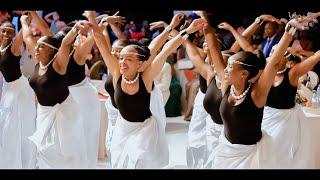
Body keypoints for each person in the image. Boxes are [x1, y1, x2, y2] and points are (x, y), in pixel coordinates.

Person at [86, 10, 205, 168]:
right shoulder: (116, 72)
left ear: (140, 64)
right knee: (121, 163)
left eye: (128, 59)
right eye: (121, 58)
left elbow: (165, 50)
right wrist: (97, 20)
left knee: (139, 160)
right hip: (123, 127)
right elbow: (100, 40)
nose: (122, 62)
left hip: (145, 129)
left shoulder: (146, 78)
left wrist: (187, 31)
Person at [204, 16, 305, 168]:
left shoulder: (257, 94)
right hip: (226, 151)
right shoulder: (226, 86)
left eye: (230, 66)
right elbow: (214, 50)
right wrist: (204, 25)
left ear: (243, 74)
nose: (225, 69)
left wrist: (289, 30)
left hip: (250, 157)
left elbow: (274, 62)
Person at [21, 12, 88, 168]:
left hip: (64, 114)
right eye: (36, 46)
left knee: (64, 155)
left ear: (51, 51)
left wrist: (75, 29)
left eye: (41, 47)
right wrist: (25, 22)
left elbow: (64, 44)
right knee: (44, 152)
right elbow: (27, 38)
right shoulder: (39, 60)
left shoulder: (58, 64)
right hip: (44, 113)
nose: (36, 49)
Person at [0, 20, 37, 169]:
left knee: (20, 127)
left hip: (21, 91)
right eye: (3, 30)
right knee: (8, 127)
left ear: (14, 34)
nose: (6, 34)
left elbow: (23, 34)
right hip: (8, 89)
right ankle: (9, 161)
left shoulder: (14, 47)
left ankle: (23, 161)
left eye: (10, 31)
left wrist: (25, 21)